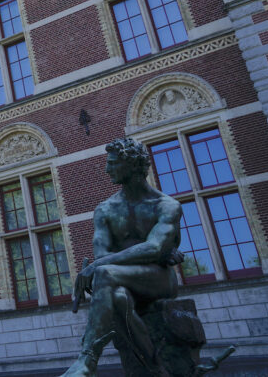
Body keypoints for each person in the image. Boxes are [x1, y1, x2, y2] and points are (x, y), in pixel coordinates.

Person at [61, 137, 184, 377]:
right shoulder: (105, 209)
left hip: (159, 280)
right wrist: (100, 264)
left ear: (133, 165)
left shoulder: (166, 205)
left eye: (114, 163)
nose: (107, 169)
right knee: (117, 297)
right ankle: (156, 368)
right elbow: (103, 254)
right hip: (119, 281)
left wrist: (97, 266)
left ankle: (87, 360)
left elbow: (154, 248)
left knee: (105, 273)